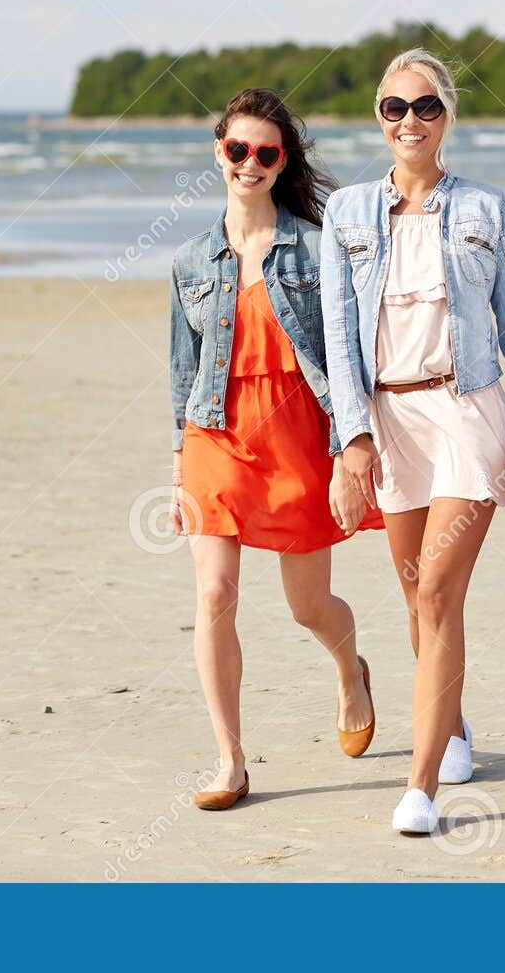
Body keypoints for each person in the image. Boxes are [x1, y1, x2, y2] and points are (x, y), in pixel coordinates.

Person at [323, 49, 505, 835]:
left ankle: (420, 789)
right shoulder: (345, 215)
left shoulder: (486, 207)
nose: (408, 120)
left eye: (425, 106)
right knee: (414, 594)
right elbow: (340, 337)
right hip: (389, 423)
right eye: (392, 107)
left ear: (447, 116)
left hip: (466, 409)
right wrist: (353, 439)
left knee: (440, 591)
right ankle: (453, 724)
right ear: (378, 119)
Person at [169, 88, 383, 812]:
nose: (249, 163)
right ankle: (230, 759)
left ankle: (350, 668)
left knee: (306, 604)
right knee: (214, 592)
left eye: (265, 152)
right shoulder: (191, 260)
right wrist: (177, 467)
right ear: (219, 154)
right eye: (237, 150)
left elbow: (348, 355)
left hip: (297, 437)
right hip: (216, 436)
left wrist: (350, 448)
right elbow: (181, 372)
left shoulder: (318, 250)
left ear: (281, 159)